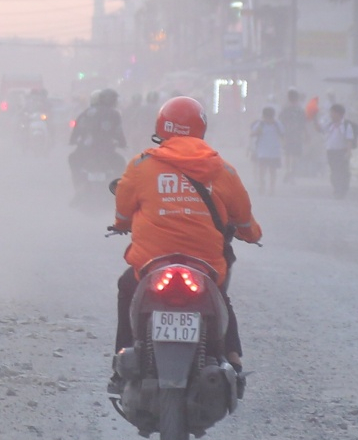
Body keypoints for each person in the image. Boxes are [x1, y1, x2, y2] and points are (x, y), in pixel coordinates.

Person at [109, 96, 261, 391]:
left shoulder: (141, 165)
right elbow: (244, 220)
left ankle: (120, 364)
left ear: (161, 128)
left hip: (151, 264)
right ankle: (233, 360)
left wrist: (120, 225)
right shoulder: (222, 170)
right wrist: (252, 235)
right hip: (205, 265)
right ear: (200, 129)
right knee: (219, 297)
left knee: (127, 288)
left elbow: (123, 210)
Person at [68, 88, 126, 189]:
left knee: (72, 159)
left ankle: (78, 185)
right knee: (121, 164)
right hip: (107, 150)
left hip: (85, 149)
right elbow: (118, 133)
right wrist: (123, 143)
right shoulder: (114, 114)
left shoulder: (86, 112)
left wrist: (73, 140)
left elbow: (77, 129)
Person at [323, 102, 358, 198]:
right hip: (331, 151)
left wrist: (348, 151)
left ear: (338, 114)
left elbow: (349, 139)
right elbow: (320, 129)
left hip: (341, 152)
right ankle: (337, 189)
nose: (330, 115)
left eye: (332, 113)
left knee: (343, 171)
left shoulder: (346, 125)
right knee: (334, 171)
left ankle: (342, 190)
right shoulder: (329, 124)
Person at [248, 105, 285, 195]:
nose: (269, 119)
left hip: (274, 152)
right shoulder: (260, 124)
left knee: (273, 171)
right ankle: (262, 186)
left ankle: (272, 188)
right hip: (262, 152)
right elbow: (252, 134)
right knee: (262, 171)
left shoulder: (277, 124)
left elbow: (283, 134)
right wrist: (257, 132)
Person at [282, 88, 308, 180]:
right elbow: (304, 123)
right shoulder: (300, 110)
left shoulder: (285, 109)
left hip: (287, 135)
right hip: (297, 135)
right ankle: (292, 173)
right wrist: (306, 134)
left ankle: (288, 171)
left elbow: (281, 122)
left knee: (288, 154)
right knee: (295, 155)